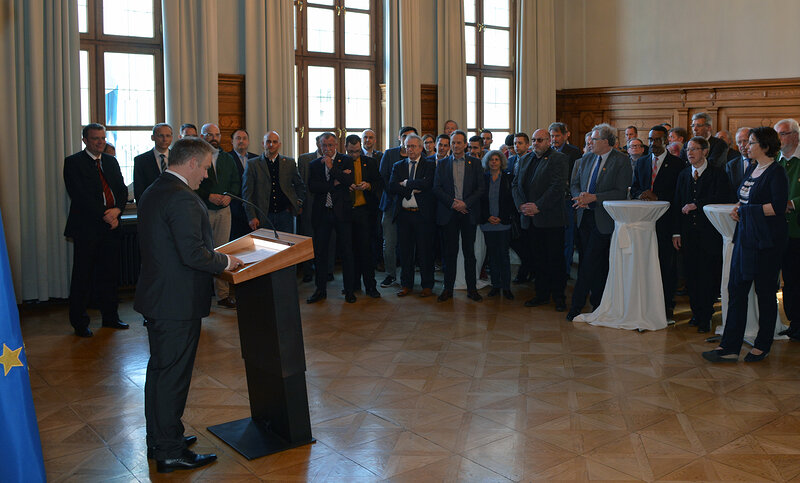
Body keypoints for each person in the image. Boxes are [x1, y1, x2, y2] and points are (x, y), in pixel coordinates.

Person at [135, 136, 243, 473]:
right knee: (172, 377)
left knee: (161, 373)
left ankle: (163, 438)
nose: (206, 176)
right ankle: (169, 451)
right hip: (175, 303)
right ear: (192, 162)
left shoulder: (156, 189)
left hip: (160, 297)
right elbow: (193, 254)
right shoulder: (181, 198)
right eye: (206, 168)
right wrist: (227, 262)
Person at [703, 127, 788, 363]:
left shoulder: (776, 172)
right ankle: (729, 347)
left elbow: (778, 207)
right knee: (737, 290)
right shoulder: (752, 168)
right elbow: (745, 199)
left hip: (766, 242)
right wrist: (740, 209)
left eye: (751, 143)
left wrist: (747, 211)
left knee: (765, 293)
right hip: (745, 239)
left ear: (765, 147)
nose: (746, 147)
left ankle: (763, 345)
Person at [63, 123, 129, 337]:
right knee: (83, 276)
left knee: (109, 275)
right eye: (95, 139)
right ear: (85, 140)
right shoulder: (73, 162)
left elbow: (120, 189)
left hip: (112, 227)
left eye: (102, 138)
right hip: (87, 228)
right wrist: (106, 214)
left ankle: (110, 317)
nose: (100, 142)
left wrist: (117, 210)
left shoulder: (111, 161)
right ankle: (80, 323)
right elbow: (80, 196)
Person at [567, 123, 632, 320]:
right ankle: (599, 303)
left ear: (606, 141)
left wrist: (594, 198)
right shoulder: (586, 158)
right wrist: (580, 197)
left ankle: (576, 306)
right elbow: (575, 183)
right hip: (584, 217)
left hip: (604, 220)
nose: (590, 142)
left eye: (594, 139)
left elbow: (621, 192)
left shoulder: (621, 161)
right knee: (596, 263)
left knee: (588, 263)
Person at [672, 137, 731, 333]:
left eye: (695, 149)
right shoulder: (682, 175)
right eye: (688, 149)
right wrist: (676, 232)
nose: (690, 153)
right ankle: (696, 313)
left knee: (708, 275)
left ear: (705, 151)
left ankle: (706, 315)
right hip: (688, 234)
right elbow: (677, 203)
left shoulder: (717, 174)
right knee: (691, 275)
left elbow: (723, 198)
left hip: (709, 233)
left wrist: (698, 204)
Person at [630, 125, 683, 318]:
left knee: (666, 265)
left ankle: (667, 304)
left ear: (667, 140)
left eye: (657, 140)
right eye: (650, 140)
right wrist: (640, 194)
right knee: (645, 263)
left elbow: (679, 195)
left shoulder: (677, 164)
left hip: (666, 222)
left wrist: (657, 195)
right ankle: (645, 302)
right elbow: (635, 187)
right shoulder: (642, 162)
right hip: (644, 222)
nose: (653, 144)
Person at [513, 129, 568, 310]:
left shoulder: (557, 158)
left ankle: (559, 297)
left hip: (550, 219)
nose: (536, 143)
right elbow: (515, 185)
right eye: (534, 140)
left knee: (555, 260)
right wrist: (521, 205)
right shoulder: (524, 159)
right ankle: (541, 294)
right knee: (538, 260)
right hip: (529, 219)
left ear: (549, 141)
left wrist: (538, 206)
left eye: (540, 140)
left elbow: (557, 187)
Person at [433, 130, 486, 302]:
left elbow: (480, 188)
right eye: (452, 143)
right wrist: (454, 203)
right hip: (449, 213)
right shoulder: (442, 164)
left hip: (468, 213)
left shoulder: (476, 163)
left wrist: (465, 203)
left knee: (469, 253)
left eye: (458, 143)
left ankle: (472, 289)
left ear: (465, 145)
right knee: (449, 253)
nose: (455, 146)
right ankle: (448, 289)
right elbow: (437, 188)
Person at [307, 132, 356, 304]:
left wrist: (332, 168)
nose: (327, 149)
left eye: (330, 145)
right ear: (319, 145)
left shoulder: (346, 160)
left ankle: (349, 290)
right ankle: (320, 290)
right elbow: (313, 187)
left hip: (342, 214)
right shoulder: (313, 164)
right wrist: (334, 183)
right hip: (322, 213)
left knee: (346, 252)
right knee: (320, 253)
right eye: (324, 145)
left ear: (336, 145)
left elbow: (349, 180)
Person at [196, 123, 240, 309]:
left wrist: (229, 196)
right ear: (202, 136)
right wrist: (208, 196)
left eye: (217, 134)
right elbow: (192, 185)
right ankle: (201, 294)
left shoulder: (227, 158)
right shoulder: (196, 157)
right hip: (202, 209)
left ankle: (222, 295)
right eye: (209, 134)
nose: (214, 138)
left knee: (222, 250)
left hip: (224, 210)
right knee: (203, 251)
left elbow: (236, 181)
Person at [390, 134, 436, 297]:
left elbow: (428, 184)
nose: (410, 149)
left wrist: (407, 183)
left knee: (425, 252)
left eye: (413, 146)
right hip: (404, 216)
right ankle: (406, 284)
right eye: (407, 146)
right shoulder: (398, 165)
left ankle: (427, 285)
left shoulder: (430, 165)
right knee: (405, 252)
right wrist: (413, 188)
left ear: (421, 148)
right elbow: (392, 186)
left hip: (423, 216)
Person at [242, 131, 305, 234]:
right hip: (263, 215)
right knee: (266, 248)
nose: (271, 145)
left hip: (285, 214)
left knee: (286, 247)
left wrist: (298, 203)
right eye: (268, 142)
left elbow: (300, 185)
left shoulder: (289, 163)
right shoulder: (253, 164)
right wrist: (252, 216)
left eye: (274, 142)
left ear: (279, 145)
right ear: (263, 144)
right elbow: (247, 193)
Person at [344, 134, 383, 298]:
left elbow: (379, 183)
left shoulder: (370, 162)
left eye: (357, 151)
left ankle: (370, 286)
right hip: (346, 212)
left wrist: (369, 185)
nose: (354, 155)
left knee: (366, 251)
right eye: (351, 151)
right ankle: (352, 286)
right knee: (349, 251)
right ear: (346, 148)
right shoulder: (341, 162)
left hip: (364, 212)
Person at [378, 126, 416, 288]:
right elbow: (384, 178)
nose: (408, 140)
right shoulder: (389, 154)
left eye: (411, 137)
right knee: (389, 243)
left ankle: (408, 277)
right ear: (399, 138)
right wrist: (400, 190)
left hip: (411, 206)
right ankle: (390, 274)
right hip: (391, 204)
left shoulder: (420, 155)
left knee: (409, 243)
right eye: (405, 136)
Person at [775, 119, 800, 339]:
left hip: (798, 229)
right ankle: (793, 322)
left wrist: (793, 204)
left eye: (782, 134)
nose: (779, 139)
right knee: (788, 280)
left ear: (795, 135)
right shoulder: (777, 162)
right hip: (780, 231)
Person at [479, 150, 515, 300]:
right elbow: (480, 201)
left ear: (501, 162)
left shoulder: (508, 178)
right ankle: (495, 285)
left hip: (503, 223)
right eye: (491, 160)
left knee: (504, 256)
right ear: (487, 162)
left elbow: (511, 201)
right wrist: (487, 217)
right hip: (487, 223)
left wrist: (501, 217)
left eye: (496, 159)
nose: (494, 162)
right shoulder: (483, 179)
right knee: (492, 256)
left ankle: (506, 287)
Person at [549, 122, 583, 277]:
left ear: (564, 135)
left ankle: (565, 270)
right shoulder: (548, 151)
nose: (554, 139)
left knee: (567, 237)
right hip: (551, 200)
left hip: (567, 199)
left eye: (557, 135)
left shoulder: (573, 152)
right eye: (552, 136)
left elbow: (576, 176)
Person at [228, 129, 258, 240]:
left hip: (254, 209)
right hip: (234, 209)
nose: (241, 141)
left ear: (248, 141)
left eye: (244, 138)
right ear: (232, 141)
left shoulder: (256, 159)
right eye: (238, 138)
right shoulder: (226, 158)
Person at [134, 123, 173, 204]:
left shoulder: (179, 158)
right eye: (161, 136)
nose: (164, 139)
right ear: (153, 137)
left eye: (168, 136)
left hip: (175, 207)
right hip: (151, 207)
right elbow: (139, 190)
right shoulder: (141, 160)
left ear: (172, 138)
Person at [725, 127, 753, 194]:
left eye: (745, 141)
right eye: (739, 142)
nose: (742, 145)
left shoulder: (761, 162)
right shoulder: (731, 165)